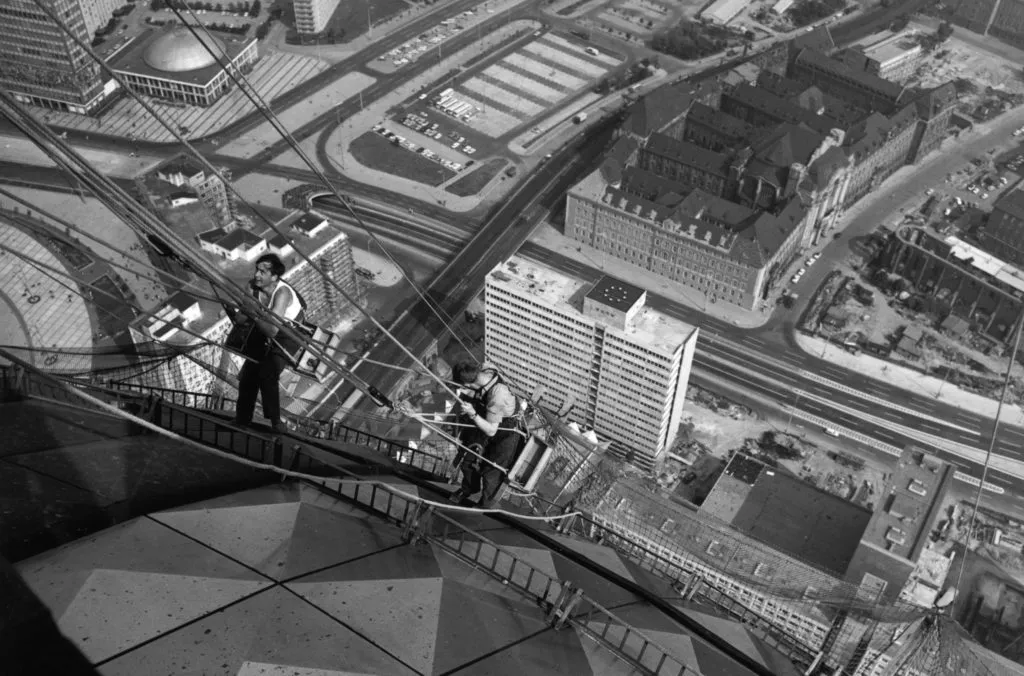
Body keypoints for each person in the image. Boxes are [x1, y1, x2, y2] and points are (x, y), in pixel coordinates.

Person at [230, 253, 303, 431]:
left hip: (288, 334)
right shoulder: (252, 286)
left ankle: (276, 422)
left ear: (274, 277)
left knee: (268, 373)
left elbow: (272, 330)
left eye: (263, 272)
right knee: (248, 376)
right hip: (263, 327)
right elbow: (241, 318)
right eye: (257, 270)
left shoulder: (282, 293)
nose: (257, 275)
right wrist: (244, 312)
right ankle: (242, 420)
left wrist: (252, 312)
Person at [449, 361, 523, 508]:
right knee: (469, 460)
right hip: (487, 418)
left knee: (492, 471)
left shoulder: (497, 394)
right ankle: (469, 488)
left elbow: (491, 430)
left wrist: (473, 413)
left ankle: (485, 504)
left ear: (469, 384)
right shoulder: (485, 371)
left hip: (506, 430)